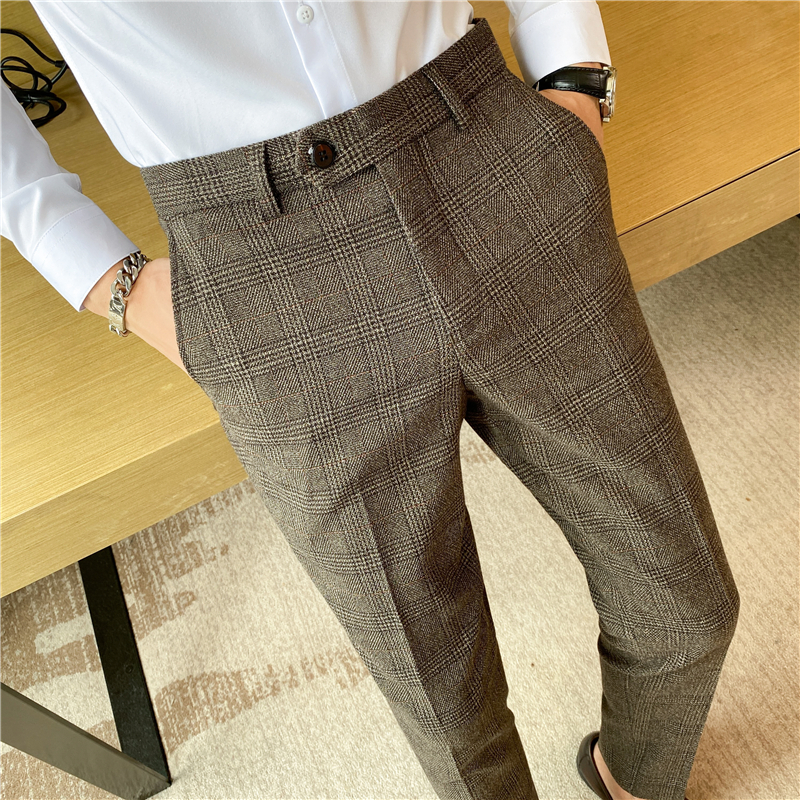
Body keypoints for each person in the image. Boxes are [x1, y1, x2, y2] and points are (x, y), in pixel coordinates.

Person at [1, 4, 740, 800]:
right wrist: (105, 275)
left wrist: (573, 68)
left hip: (481, 140)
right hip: (255, 255)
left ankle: (631, 782)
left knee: (689, 605)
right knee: (449, 713)